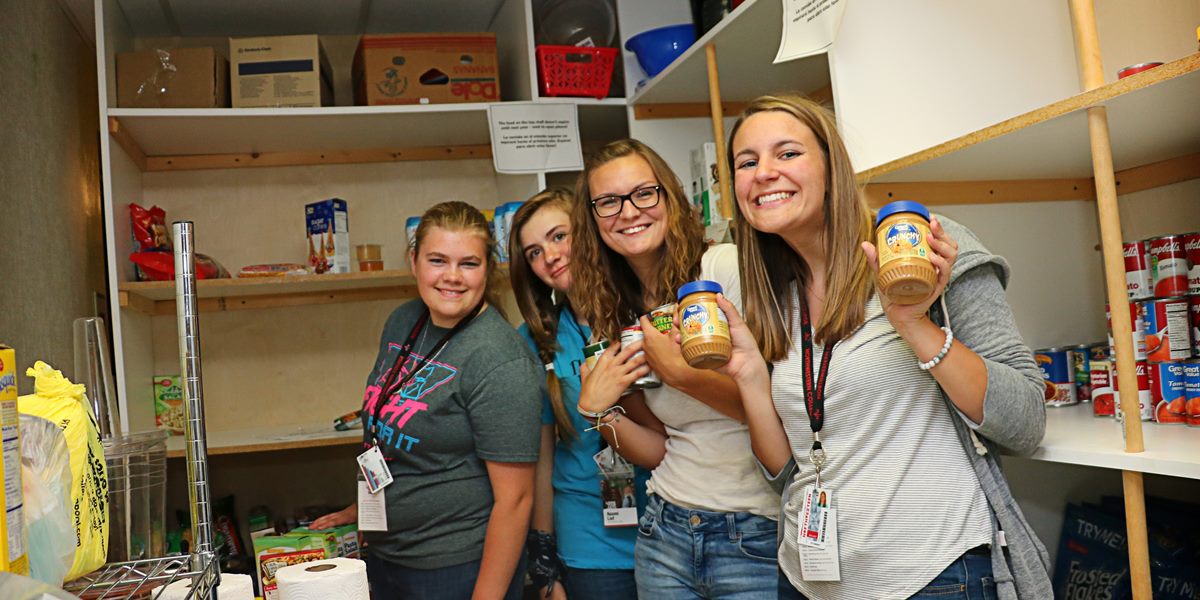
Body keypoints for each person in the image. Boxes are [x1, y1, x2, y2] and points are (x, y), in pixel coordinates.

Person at [717, 94, 1053, 599]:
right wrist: (747, 374)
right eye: (748, 161)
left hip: (931, 578)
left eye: (787, 154)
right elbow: (788, 473)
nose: (764, 172)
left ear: (833, 167)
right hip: (806, 581)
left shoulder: (918, 249)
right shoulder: (768, 291)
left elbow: (1025, 421)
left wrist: (914, 323)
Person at [570, 139, 780, 599]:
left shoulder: (722, 269)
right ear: (593, 221)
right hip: (665, 529)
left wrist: (681, 372)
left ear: (669, 196)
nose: (628, 212)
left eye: (643, 193)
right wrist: (599, 414)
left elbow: (777, 409)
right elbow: (660, 450)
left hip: (755, 531)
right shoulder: (614, 313)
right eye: (608, 202)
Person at [311, 201, 543, 600]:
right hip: (389, 554)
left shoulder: (498, 359)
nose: (452, 277)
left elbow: (516, 500)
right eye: (438, 260)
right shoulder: (404, 320)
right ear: (414, 260)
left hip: (454, 565)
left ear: (488, 269)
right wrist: (364, 509)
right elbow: (390, 434)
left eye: (468, 263)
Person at [508, 187, 648, 600]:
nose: (548, 256)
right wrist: (545, 562)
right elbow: (541, 458)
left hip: (673, 523)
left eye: (558, 236)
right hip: (591, 542)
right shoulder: (535, 341)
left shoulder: (648, 311)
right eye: (533, 252)